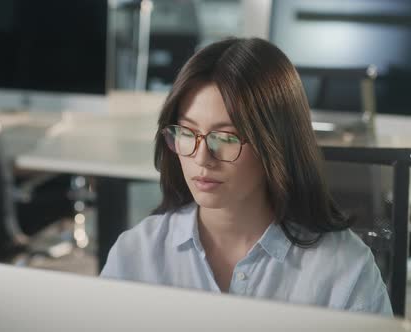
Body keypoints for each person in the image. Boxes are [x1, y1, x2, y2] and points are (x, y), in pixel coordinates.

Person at [100, 37, 392, 316]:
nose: (201, 158)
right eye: (187, 133)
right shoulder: (136, 253)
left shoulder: (344, 270)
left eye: (225, 138)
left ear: (274, 143)